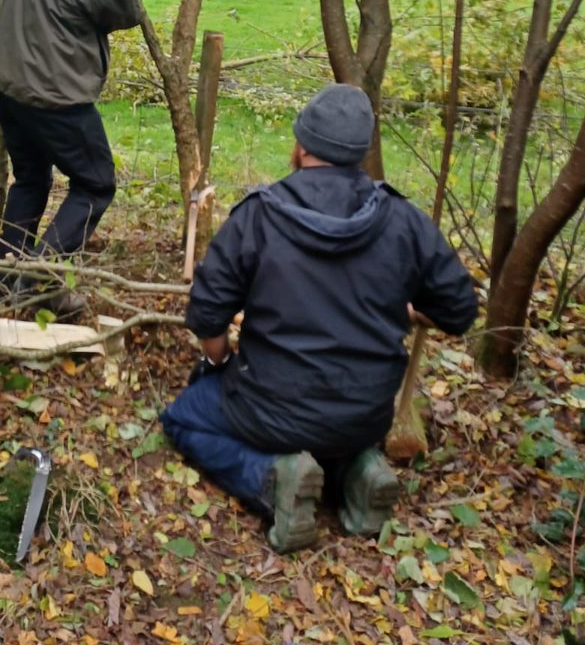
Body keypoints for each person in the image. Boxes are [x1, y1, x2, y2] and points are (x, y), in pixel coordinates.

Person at [160, 83, 478, 551]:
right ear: (360, 153)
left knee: (182, 418)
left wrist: (220, 359)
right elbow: (461, 311)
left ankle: (271, 479)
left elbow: (207, 313)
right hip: (366, 415)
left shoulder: (259, 216)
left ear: (302, 145)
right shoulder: (404, 221)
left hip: (269, 410)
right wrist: (407, 307)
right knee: (334, 429)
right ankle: (356, 469)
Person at [0, 0, 181, 310]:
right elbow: (127, 13)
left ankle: (5, 278)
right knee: (96, 184)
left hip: (6, 80)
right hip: (53, 92)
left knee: (32, 178)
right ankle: (41, 284)